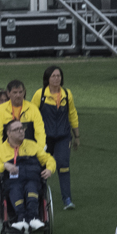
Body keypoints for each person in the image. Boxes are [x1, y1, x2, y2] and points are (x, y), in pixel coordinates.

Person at [0, 121, 56, 234]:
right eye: (17, 129)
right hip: (13, 181)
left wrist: (49, 169)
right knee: (16, 189)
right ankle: (22, 218)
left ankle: (33, 218)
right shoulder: (0, 150)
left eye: (22, 128)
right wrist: (4, 165)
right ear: (9, 133)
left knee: (31, 189)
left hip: (32, 178)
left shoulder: (32, 145)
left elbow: (49, 159)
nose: (21, 131)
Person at [32, 67, 80, 210]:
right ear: (47, 78)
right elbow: (32, 115)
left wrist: (76, 136)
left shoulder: (66, 94)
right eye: (53, 76)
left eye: (58, 76)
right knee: (41, 167)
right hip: (44, 139)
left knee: (63, 165)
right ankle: (39, 197)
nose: (56, 79)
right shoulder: (39, 95)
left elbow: (72, 114)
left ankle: (67, 199)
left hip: (63, 137)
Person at [0, 80, 47, 148]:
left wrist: (41, 147)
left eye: (20, 92)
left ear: (24, 92)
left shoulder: (33, 108)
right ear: (8, 93)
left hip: (28, 150)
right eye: (15, 92)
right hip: (8, 150)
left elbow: (40, 131)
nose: (18, 95)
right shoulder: (0, 110)